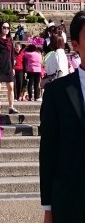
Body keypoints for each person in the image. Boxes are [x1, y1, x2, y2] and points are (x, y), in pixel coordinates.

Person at [40, 11, 85, 223]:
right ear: (75, 45)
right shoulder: (57, 92)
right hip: (71, 199)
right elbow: (48, 150)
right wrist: (48, 207)